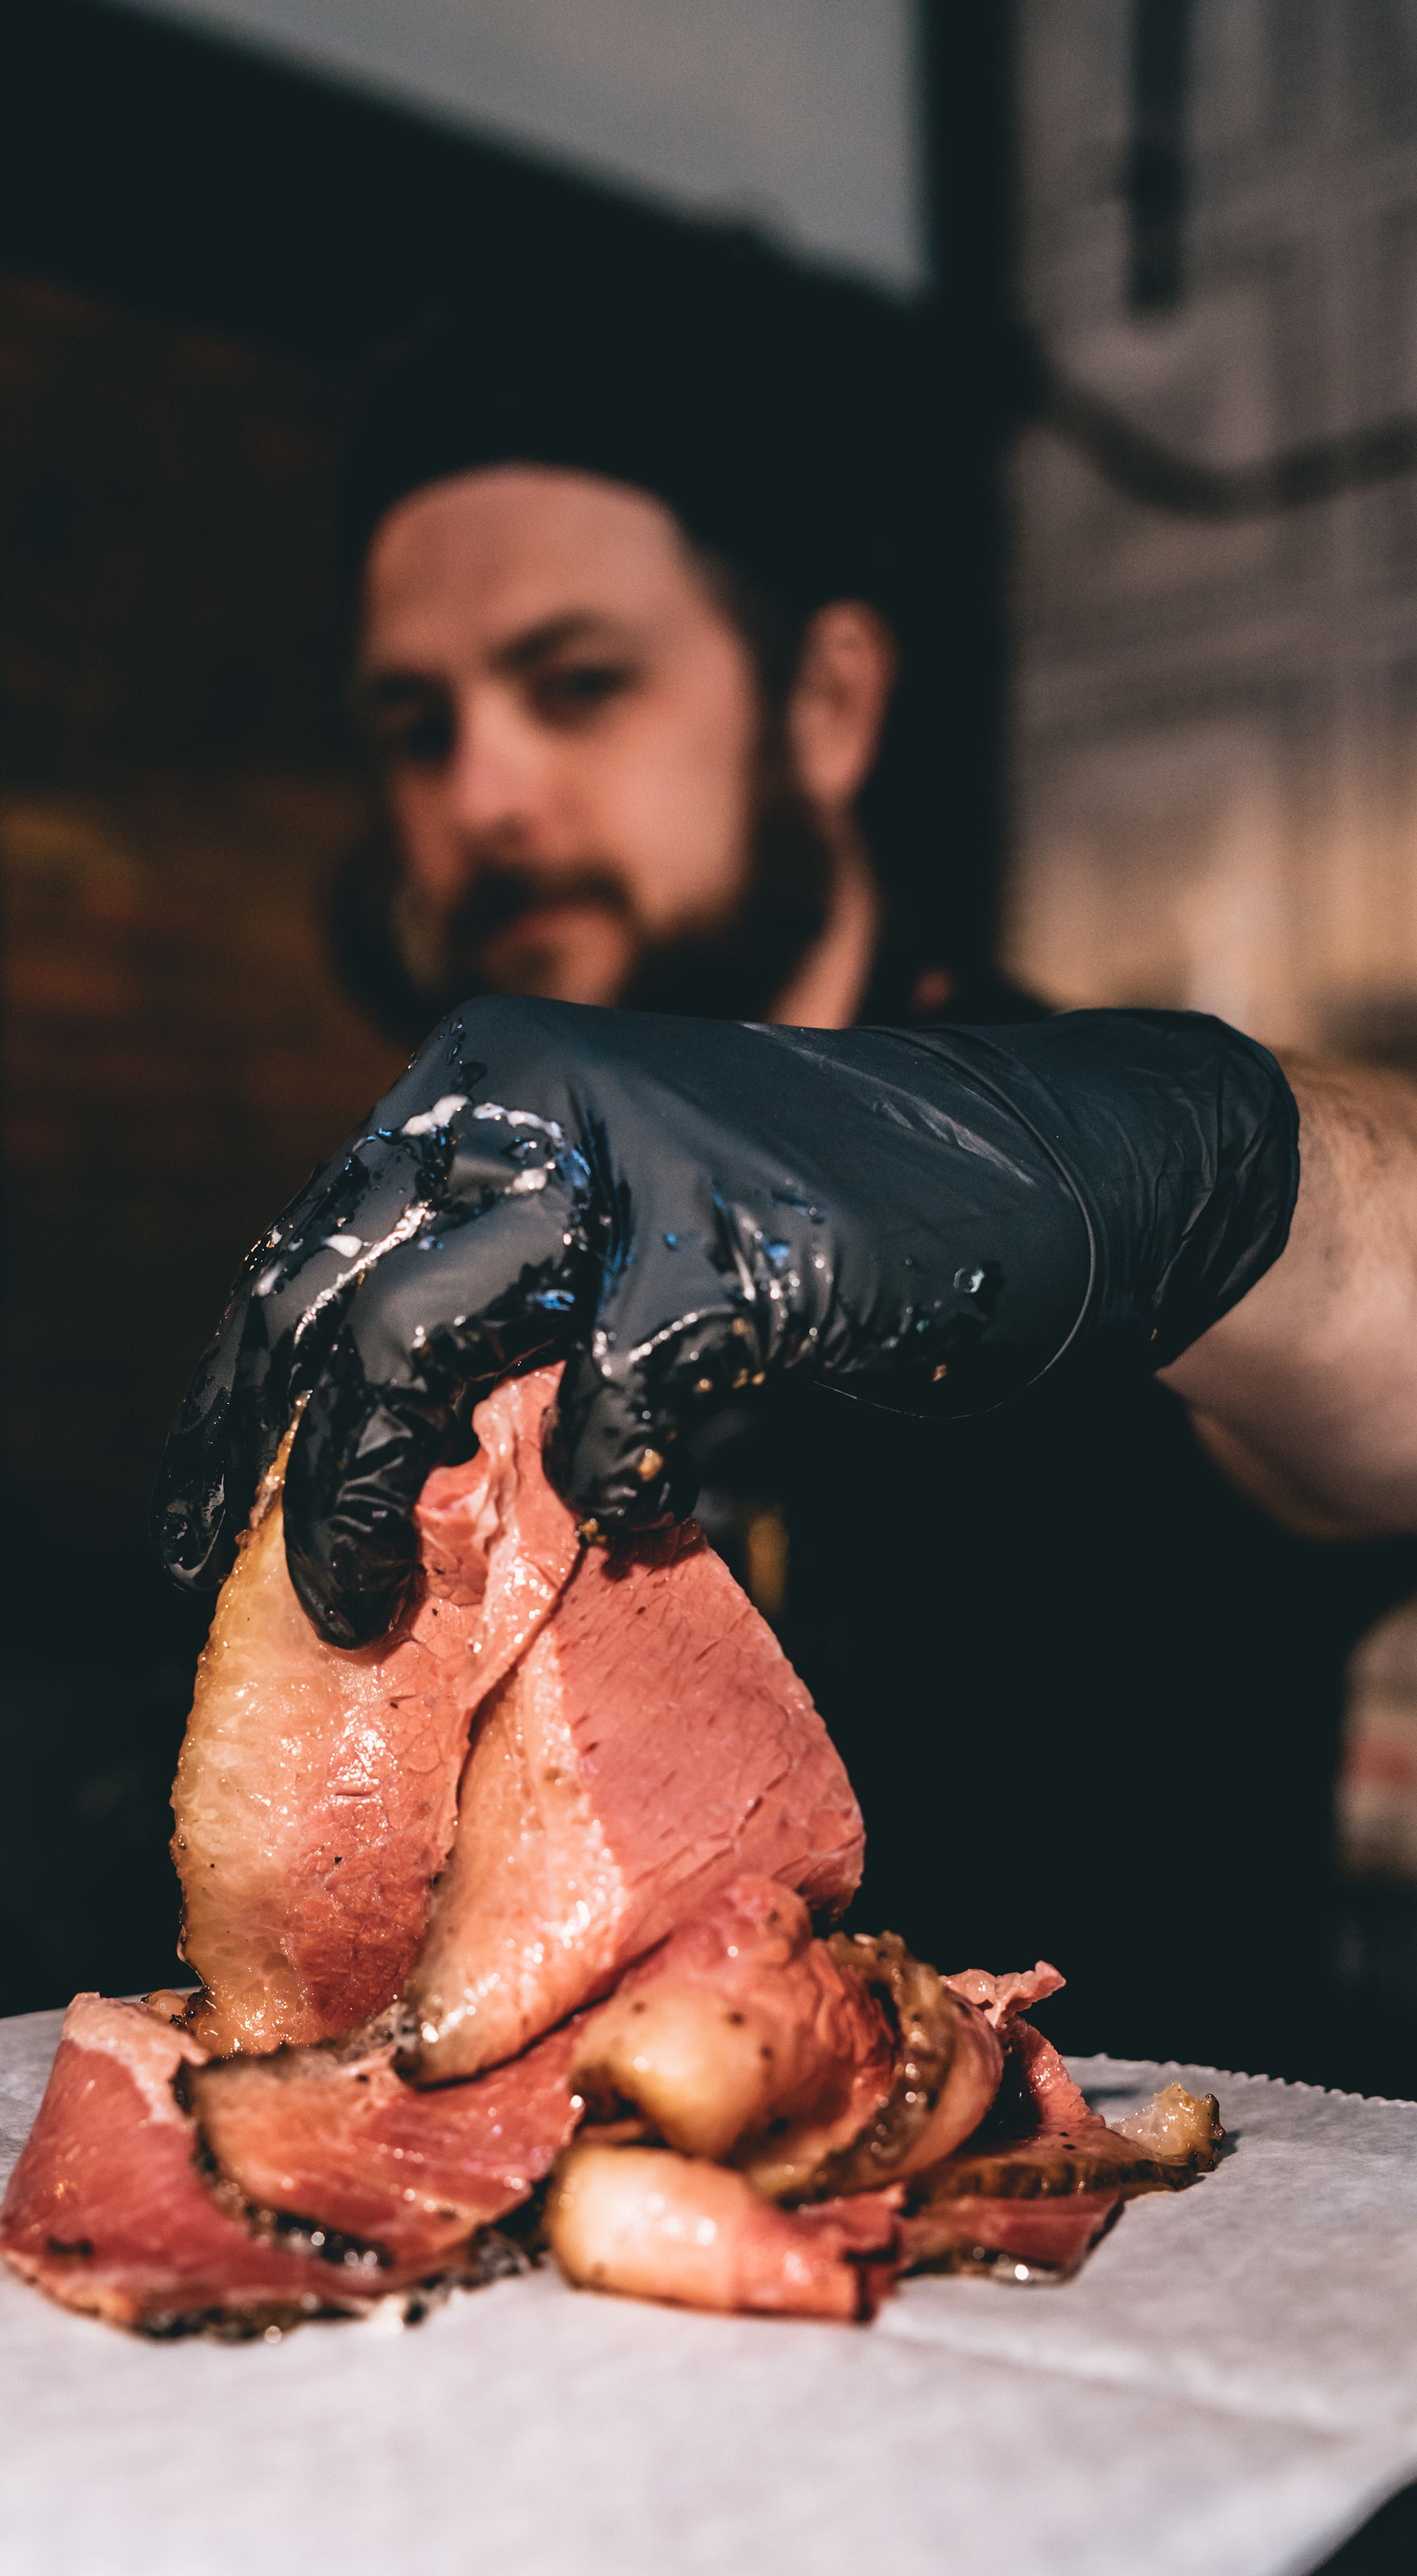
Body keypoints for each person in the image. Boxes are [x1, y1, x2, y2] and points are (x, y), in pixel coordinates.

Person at [159, 282, 1417, 2087]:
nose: (484, 790)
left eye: (576, 683)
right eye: (416, 726)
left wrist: (1197, 1176)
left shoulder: (1067, 1173)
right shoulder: (431, 1244)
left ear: (826, 703)